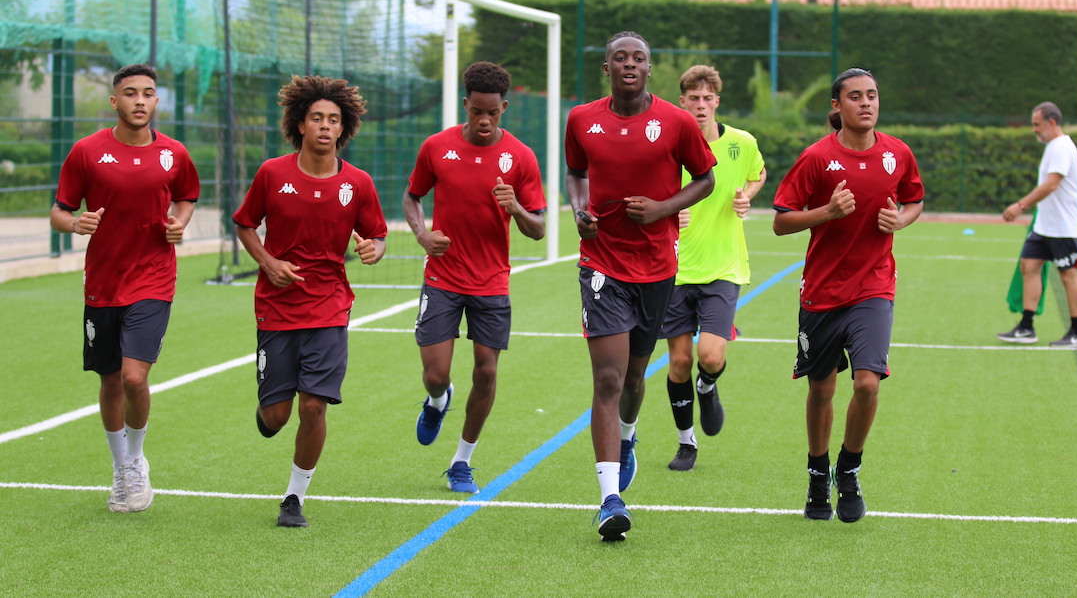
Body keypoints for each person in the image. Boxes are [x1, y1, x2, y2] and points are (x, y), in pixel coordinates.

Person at [565, 31, 716, 541]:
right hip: (601, 264)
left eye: (638, 58)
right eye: (619, 58)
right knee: (608, 380)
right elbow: (576, 173)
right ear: (606, 68)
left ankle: (627, 436)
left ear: (649, 69)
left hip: (656, 267)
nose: (629, 64)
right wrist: (579, 211)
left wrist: (663, 208)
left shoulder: (676, 122)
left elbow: (706, 179)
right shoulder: (581, 119)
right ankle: (610, 499)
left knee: (633, 378)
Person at [233, 75, 387, 528]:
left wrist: (374, 248)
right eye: (316, 118)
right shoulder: (272, 174)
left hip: (330, 305)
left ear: (343, 128)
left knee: (314, 405)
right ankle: (268, 413)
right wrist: (267, 263)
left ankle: (294, 498)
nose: (325, 126)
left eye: (333, 120)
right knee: (276, 417)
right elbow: (245, 224)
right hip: (277, 306)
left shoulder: (358, 182)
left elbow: (378, 235)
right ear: (300, 124)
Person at [772, 67, 924, 523]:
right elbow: (781, 221)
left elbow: (915, 200)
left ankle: (849, 468)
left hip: (874, 286)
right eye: (855, 96)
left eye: (872, 95)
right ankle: (818, 475)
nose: (866, 103)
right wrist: (827, 211)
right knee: (821, 390)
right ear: (837, 106)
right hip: (822, 292)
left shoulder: (898, 153)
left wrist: (902, 220)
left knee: (867, 383)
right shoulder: (817, 157)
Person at [50, 63, 200, 513]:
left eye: (148, 93)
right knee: (111, 380)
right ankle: (120, 469)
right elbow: (58, 211)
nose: (140, 101)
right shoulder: (87, 152)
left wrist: (179, 223)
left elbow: (187, 196)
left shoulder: (174, 153)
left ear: (157, 101)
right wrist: (75, 224)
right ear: (114, 101)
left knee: (135, 376)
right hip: (103, 281)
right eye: (130, 93)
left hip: (154, 276)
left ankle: (135, 460)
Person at [404, 61, 546, 494]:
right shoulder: (436, 147)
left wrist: (515, 207)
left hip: (491, 282)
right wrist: (422, 234)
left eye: (493, 113)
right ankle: (437, 401)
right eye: (477, 112)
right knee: (436, 374)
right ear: (466, 105)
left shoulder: (521, 157)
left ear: (504, 108)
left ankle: (462, 461)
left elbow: (538, 229)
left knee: (486, 371)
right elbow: (412, 197)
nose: (484, 121)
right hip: (443, 278)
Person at [659, 65, 766, 471]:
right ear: (682, 102)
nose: (701, 105)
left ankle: (708, 385)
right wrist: (669, 211)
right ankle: (686, 443)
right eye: (694, 98)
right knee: (679, 362)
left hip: (724, 267)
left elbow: (758, 173)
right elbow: (649, 192)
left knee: (711, 356)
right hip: (674, 269)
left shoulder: (742, 142)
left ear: (717, 101)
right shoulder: (667, 146)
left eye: (707, 99)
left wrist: (747, 196)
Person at [997, 101, 1077, 348]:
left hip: (1063, 227)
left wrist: (1021, 206)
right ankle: (1026, 327)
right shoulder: (1053, 146)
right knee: (1029, 266)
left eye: (1037, 125)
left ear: (1051, 122)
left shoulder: (1061, 147)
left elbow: (1051, 184)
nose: (1034, 130)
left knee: (1069, 275)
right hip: (1045, 226)